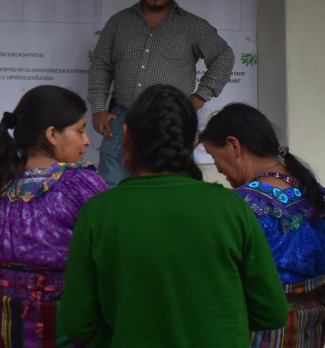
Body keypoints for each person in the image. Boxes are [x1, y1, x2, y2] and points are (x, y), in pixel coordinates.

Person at [59, 84, 288, 346]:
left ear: (125, 134)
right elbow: (272, 312)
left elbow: (77, 323)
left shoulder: (98, 213)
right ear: (193, 142)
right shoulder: (232, 208)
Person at [0, 85, 109, 348]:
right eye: (79, 130)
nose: (86, 141)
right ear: (52, 134)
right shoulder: (81, 185)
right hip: (56, 321)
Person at [87, 0, 234, 187]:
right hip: (121, 117)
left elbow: (224, 56)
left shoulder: (192, 26)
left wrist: (200, 96)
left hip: (171, 121)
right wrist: (97, 109)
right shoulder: (119, 22)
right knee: (111, 182)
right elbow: (101, 66)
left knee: (170, 183)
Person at [201, 103, 325, 348]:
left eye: (214, 156)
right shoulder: (317, 193)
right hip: (312, 329)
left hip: (264, 331)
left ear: (234, 145)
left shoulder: (241, 204)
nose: (218, 168)